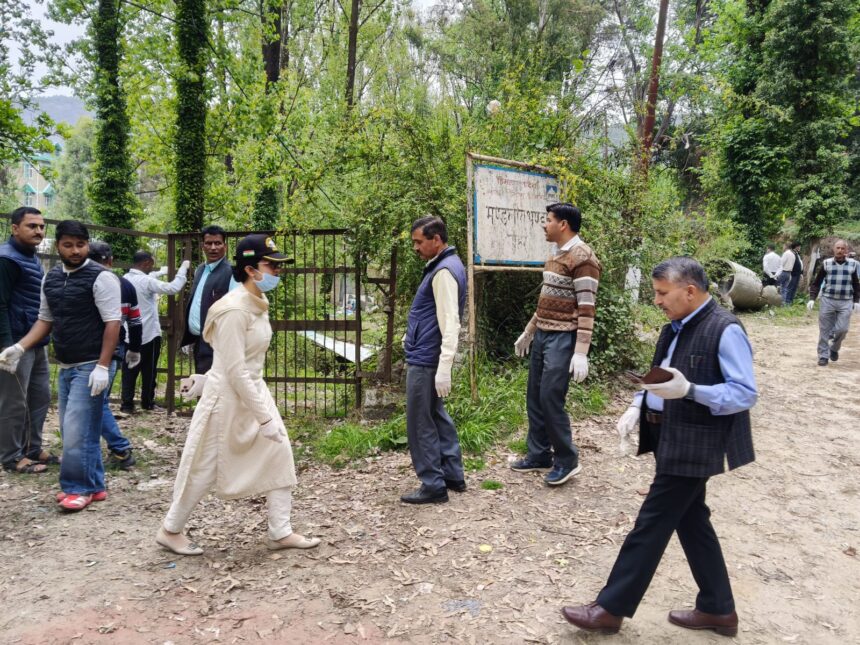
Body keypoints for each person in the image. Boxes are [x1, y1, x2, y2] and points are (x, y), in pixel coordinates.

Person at [561, 257, 757, 637]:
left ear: (690, 291)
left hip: (696, 442)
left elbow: (744, 393)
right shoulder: (674, 328)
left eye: (662, 293)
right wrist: (638, 404)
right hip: (670, 436)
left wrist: (691, 390)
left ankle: (610, 608)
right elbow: (659, 374)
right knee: (692, 520)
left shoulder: (725, 329)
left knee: (651, 524)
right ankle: (718, 609)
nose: (657, 300)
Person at [156, 234, 319, 555]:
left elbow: (239, 361)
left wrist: (206, 379)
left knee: (280, 454)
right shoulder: (233, 310)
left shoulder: (257, 302)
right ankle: (170, 529)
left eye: (278, 266)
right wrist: (263, 417)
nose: (277, 271)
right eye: (271, 266)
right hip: (227, 401)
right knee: (204, 467)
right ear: (250, 270)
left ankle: (280, 531)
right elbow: (233, 369)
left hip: (252, 391)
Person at [0, 220, 122, 511]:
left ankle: (78, 488)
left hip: (91, 364)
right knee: (76, 429)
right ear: (58, 247)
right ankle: (94, 485)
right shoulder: (52, 278)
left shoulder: (102, 277)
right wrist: (19, 347)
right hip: (67, 364)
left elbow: (113, 323)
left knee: (76, 430)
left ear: (88, 245)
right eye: (68, 245)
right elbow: (45, 319)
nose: (75, 250)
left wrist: (103, 366)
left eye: (81, 244)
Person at [511, 203, 601, 486]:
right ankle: (539, 454)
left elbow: (586, 308)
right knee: (535, 396)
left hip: (564, 337)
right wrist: (529, 331)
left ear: (563, 224)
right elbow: (547, 299)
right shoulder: (556, 255)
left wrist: (581, 352)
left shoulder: (583, 258)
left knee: (550, 397)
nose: (544, 224)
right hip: (543, 334)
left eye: (548, 220)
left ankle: (567, 459)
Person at [401, 216, 467, 505]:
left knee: (420, 422)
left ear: (436, 240)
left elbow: (451, 323)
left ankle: (433, 484)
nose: (415, 248)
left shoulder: (442, 272)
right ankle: (452, 475)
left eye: (419, 242)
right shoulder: (446, 265)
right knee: (437, 416)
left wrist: (444, 368)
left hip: (426, 359)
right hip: (428, 354)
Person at [0, 206, 55, 474]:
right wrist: (7, 346)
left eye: (41, 226)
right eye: (32, 226)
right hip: (15, 343)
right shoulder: (6, 259)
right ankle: (11, 456)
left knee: (39, 396)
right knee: (14, 401)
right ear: (15, 228)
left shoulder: (30, 256)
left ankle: (32, 448)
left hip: (34, 340)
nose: (39, 231)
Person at [88, 242, 142, 469]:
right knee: (96, 401)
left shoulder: (86, 281)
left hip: (91, 349)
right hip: (115, 348)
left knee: (96, 402)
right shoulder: (125, 285)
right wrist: (135, 348)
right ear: (110, 261)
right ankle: (99, 447)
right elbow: (135, 321)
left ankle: (120, 448)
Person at [123, 251, 189, 412]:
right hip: (148, 334)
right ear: (146, 263)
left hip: (129, 334)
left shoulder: (125, 278)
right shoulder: (146, 281)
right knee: (149, 371)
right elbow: (172, 288)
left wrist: (160, 272)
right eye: (152, 264)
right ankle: (147, 403)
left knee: (129, 370)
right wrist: (182, 270)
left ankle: (127, 405)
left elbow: (148, 277)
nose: (152, 267)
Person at [181, 225, 233, 374]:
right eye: (209, 243)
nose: (213, 248)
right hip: (198, 342)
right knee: (201, 383)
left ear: (225, 246)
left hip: (217, 344)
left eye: (218, 243)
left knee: (214, 385)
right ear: (202, 246)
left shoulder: (231, 273)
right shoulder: (200, 270)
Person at [806, 240, 860, 366]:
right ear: (833, 249)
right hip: (828, 300)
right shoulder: (826, 264)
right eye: (838, 248)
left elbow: (856, 284)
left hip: (845, 301)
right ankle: (823, 356)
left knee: (843, 329)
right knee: (824, 330)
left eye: (842, 248)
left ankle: (834, 348)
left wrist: (856, 301)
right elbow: (817, 282)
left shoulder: (852, 265)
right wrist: (812, 298)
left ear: (846, 250)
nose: (840, 250)